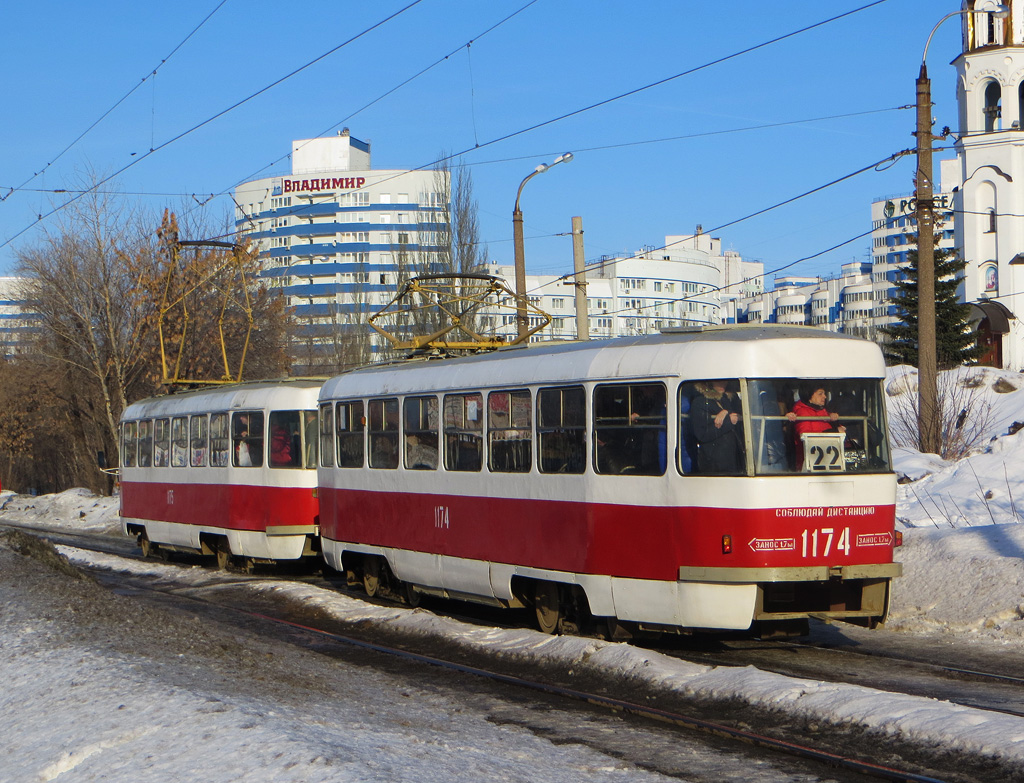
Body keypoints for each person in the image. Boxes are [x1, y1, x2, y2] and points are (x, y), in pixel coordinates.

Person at [787, 384, 845, 470]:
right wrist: (834, 431)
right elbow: (807, 436)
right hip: (809, 463)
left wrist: (835, 422)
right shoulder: (802, 412)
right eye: (820, 394)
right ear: (809, 395)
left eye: (824, 393)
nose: (824, 397)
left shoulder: (824, 411)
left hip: (827, 461)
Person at [690, 380, 743, 474]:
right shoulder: (700, 402)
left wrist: (726, 412)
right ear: (708, 382)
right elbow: (702, 434)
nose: (723, 384)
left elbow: (742, 412)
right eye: (718, 381)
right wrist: (728, 422)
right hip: (714, 464)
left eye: (724, 381)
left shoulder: (730, 399)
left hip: (735, 459)